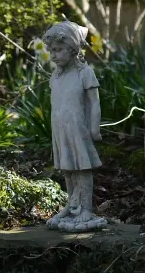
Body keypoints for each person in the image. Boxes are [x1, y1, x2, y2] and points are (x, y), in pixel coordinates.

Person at [43, 21, 107, 232]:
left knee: (82, 167)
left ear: (73, 49)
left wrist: (94, 128)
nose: (54, 55)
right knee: (68, 169)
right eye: (51, 50)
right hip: (61, 128)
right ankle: (72, 206)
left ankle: (85, 209)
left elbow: (94, 103)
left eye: (59, 50)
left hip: (78, 128)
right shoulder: (56, 76)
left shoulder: (84, 73)